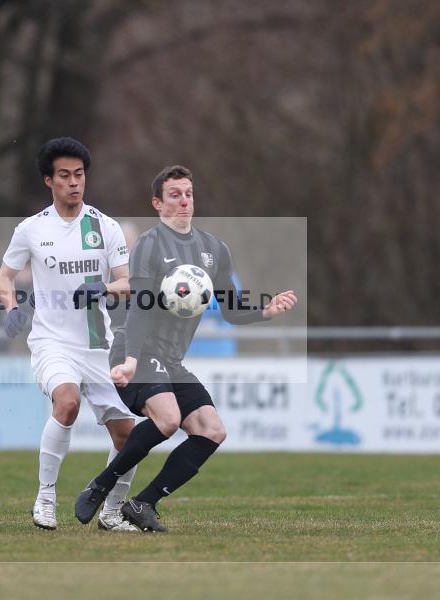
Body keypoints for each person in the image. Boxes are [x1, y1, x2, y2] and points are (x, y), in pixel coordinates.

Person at [74, 165, 297, 532]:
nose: (183, 201)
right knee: (168, 419)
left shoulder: (214, 249)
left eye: (188, 193)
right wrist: (130, 360)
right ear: (157, 203)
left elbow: (231, 311)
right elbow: (142, 306)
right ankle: (101, 485)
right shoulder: (149, 244)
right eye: (174, 194)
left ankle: (143, 503)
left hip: (171, 360)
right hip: (138, 349)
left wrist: (265, 312)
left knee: (212, 430)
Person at [0, 137, 138, 532]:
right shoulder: (31, 230)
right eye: (65, 176)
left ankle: (111, 512)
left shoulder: (104, 226)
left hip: (98, 346)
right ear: (49, 180)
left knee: (129, 435)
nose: (74, 182)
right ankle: (45, 499)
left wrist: (103, 289)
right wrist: (11, 309)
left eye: (79, 175)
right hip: (51, 342)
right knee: (68, 402)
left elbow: (126, 282)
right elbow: (5, 278)